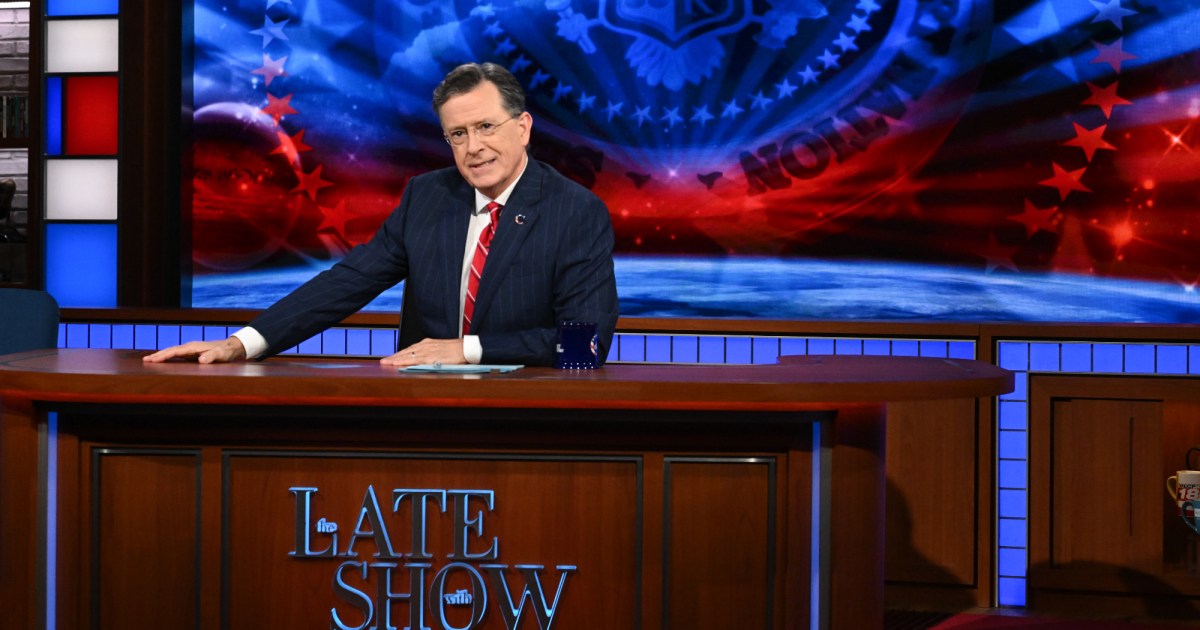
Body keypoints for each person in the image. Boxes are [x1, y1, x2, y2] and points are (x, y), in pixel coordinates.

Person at [146, 62, 618, 367]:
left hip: (525, 414)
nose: (473, 147)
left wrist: (467, 350)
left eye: (486, 127)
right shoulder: (427, 196)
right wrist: (243, 342)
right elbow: (348, 281)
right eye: (457, 134)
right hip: (420, 410)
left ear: (523, 127)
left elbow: (585, 345)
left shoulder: (575, 212)